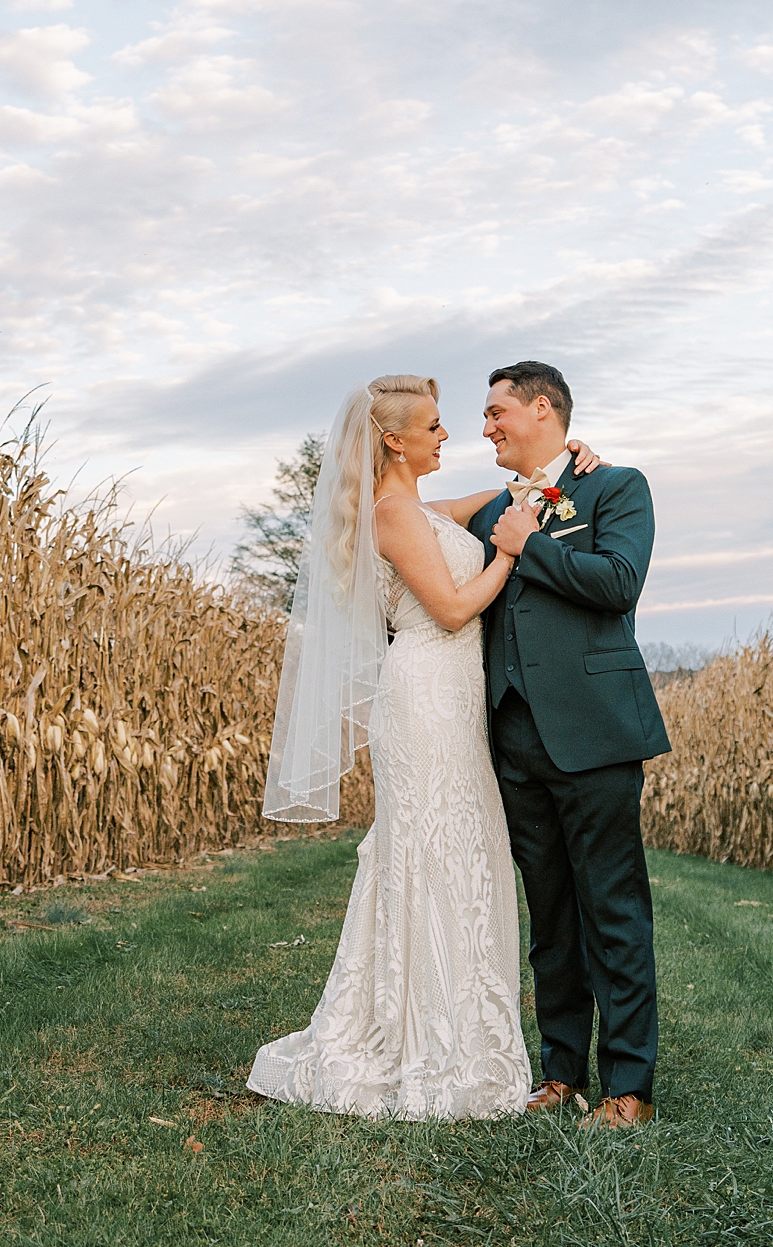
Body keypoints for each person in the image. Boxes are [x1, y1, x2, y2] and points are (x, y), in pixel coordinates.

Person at [247, 374, 601, 1120]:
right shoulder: (391, 512)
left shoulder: (416, 508)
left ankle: (459, 1027)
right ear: (394, 440)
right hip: (424, 693)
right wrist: (513, 554)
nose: (449, 437)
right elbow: (448, 608)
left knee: (461, 845)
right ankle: (424, 1038)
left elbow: (495, 501)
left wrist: (556, 471)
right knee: (431, 846)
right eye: (435, 427)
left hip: (452, 699)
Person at [467, 362, 670, 1130]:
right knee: (549, 915)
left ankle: (630, 1086)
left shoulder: (614, 487)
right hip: (514, 738)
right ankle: (561, 1073)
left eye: (496, 411)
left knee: (611, 910)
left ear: (542, 408)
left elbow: (619, 580)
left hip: (595, 733)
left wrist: (531, 541)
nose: (486, 426)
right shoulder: (490, 505)